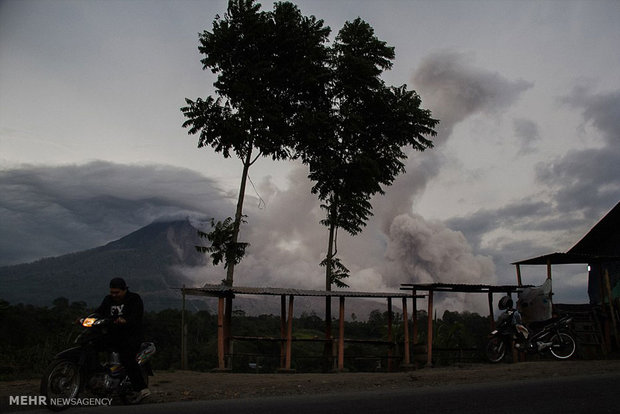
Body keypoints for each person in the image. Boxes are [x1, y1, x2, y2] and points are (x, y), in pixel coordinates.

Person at [95, 277, 150, 403]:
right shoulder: (108, 300)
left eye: (117, 292)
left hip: (131, 336)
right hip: (112, 335)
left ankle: (142, 389)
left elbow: (136, 316)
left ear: (124, 290)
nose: (114, 295)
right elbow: (99, 312)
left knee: (127, 358)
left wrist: (125, 320)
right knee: (92, 345)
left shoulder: (134, 299)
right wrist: (86, 318)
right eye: (112, 292)